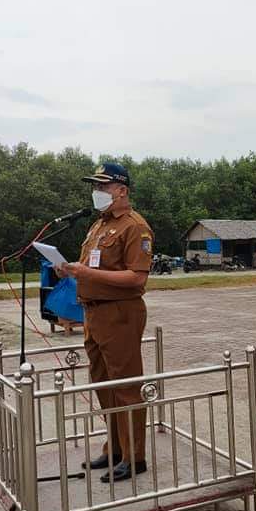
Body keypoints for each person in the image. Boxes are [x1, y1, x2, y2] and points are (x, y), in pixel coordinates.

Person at [56, 162, 154, 483]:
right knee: (103, 385)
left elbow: (136, 277)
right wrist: (69, 270)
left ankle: (133, 456)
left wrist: (86, 273)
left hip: (120, 313)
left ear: (121, 190)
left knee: (125, 388)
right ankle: (114, 447)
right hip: (94, 313)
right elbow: (90, 267)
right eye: (95, 186)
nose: (96, 192)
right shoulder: (98, 226)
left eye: (102, 186)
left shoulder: (134, 227)